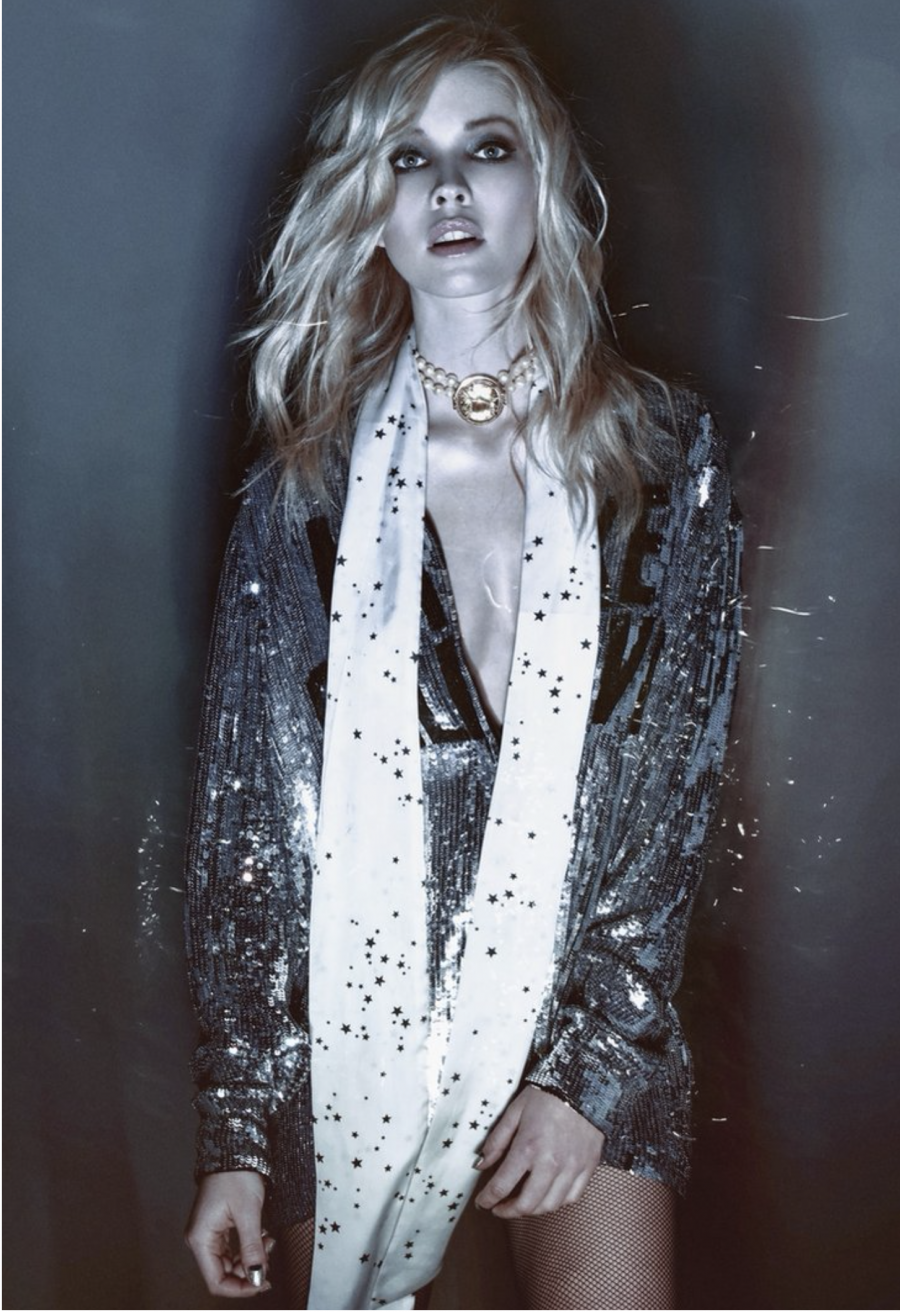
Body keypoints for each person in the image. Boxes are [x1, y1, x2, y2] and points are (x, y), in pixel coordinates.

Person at [183, 16, 742, 1311]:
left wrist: (589, 1071)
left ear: (542, 182)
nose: (446, 187)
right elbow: (249, 823)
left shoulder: (663, 452)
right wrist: (236, 1137)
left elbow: (675, 785)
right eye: (407, 156)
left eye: (486, 148)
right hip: (361, 1039)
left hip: (587, 1022)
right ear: (366, 208)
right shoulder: (306, 490)